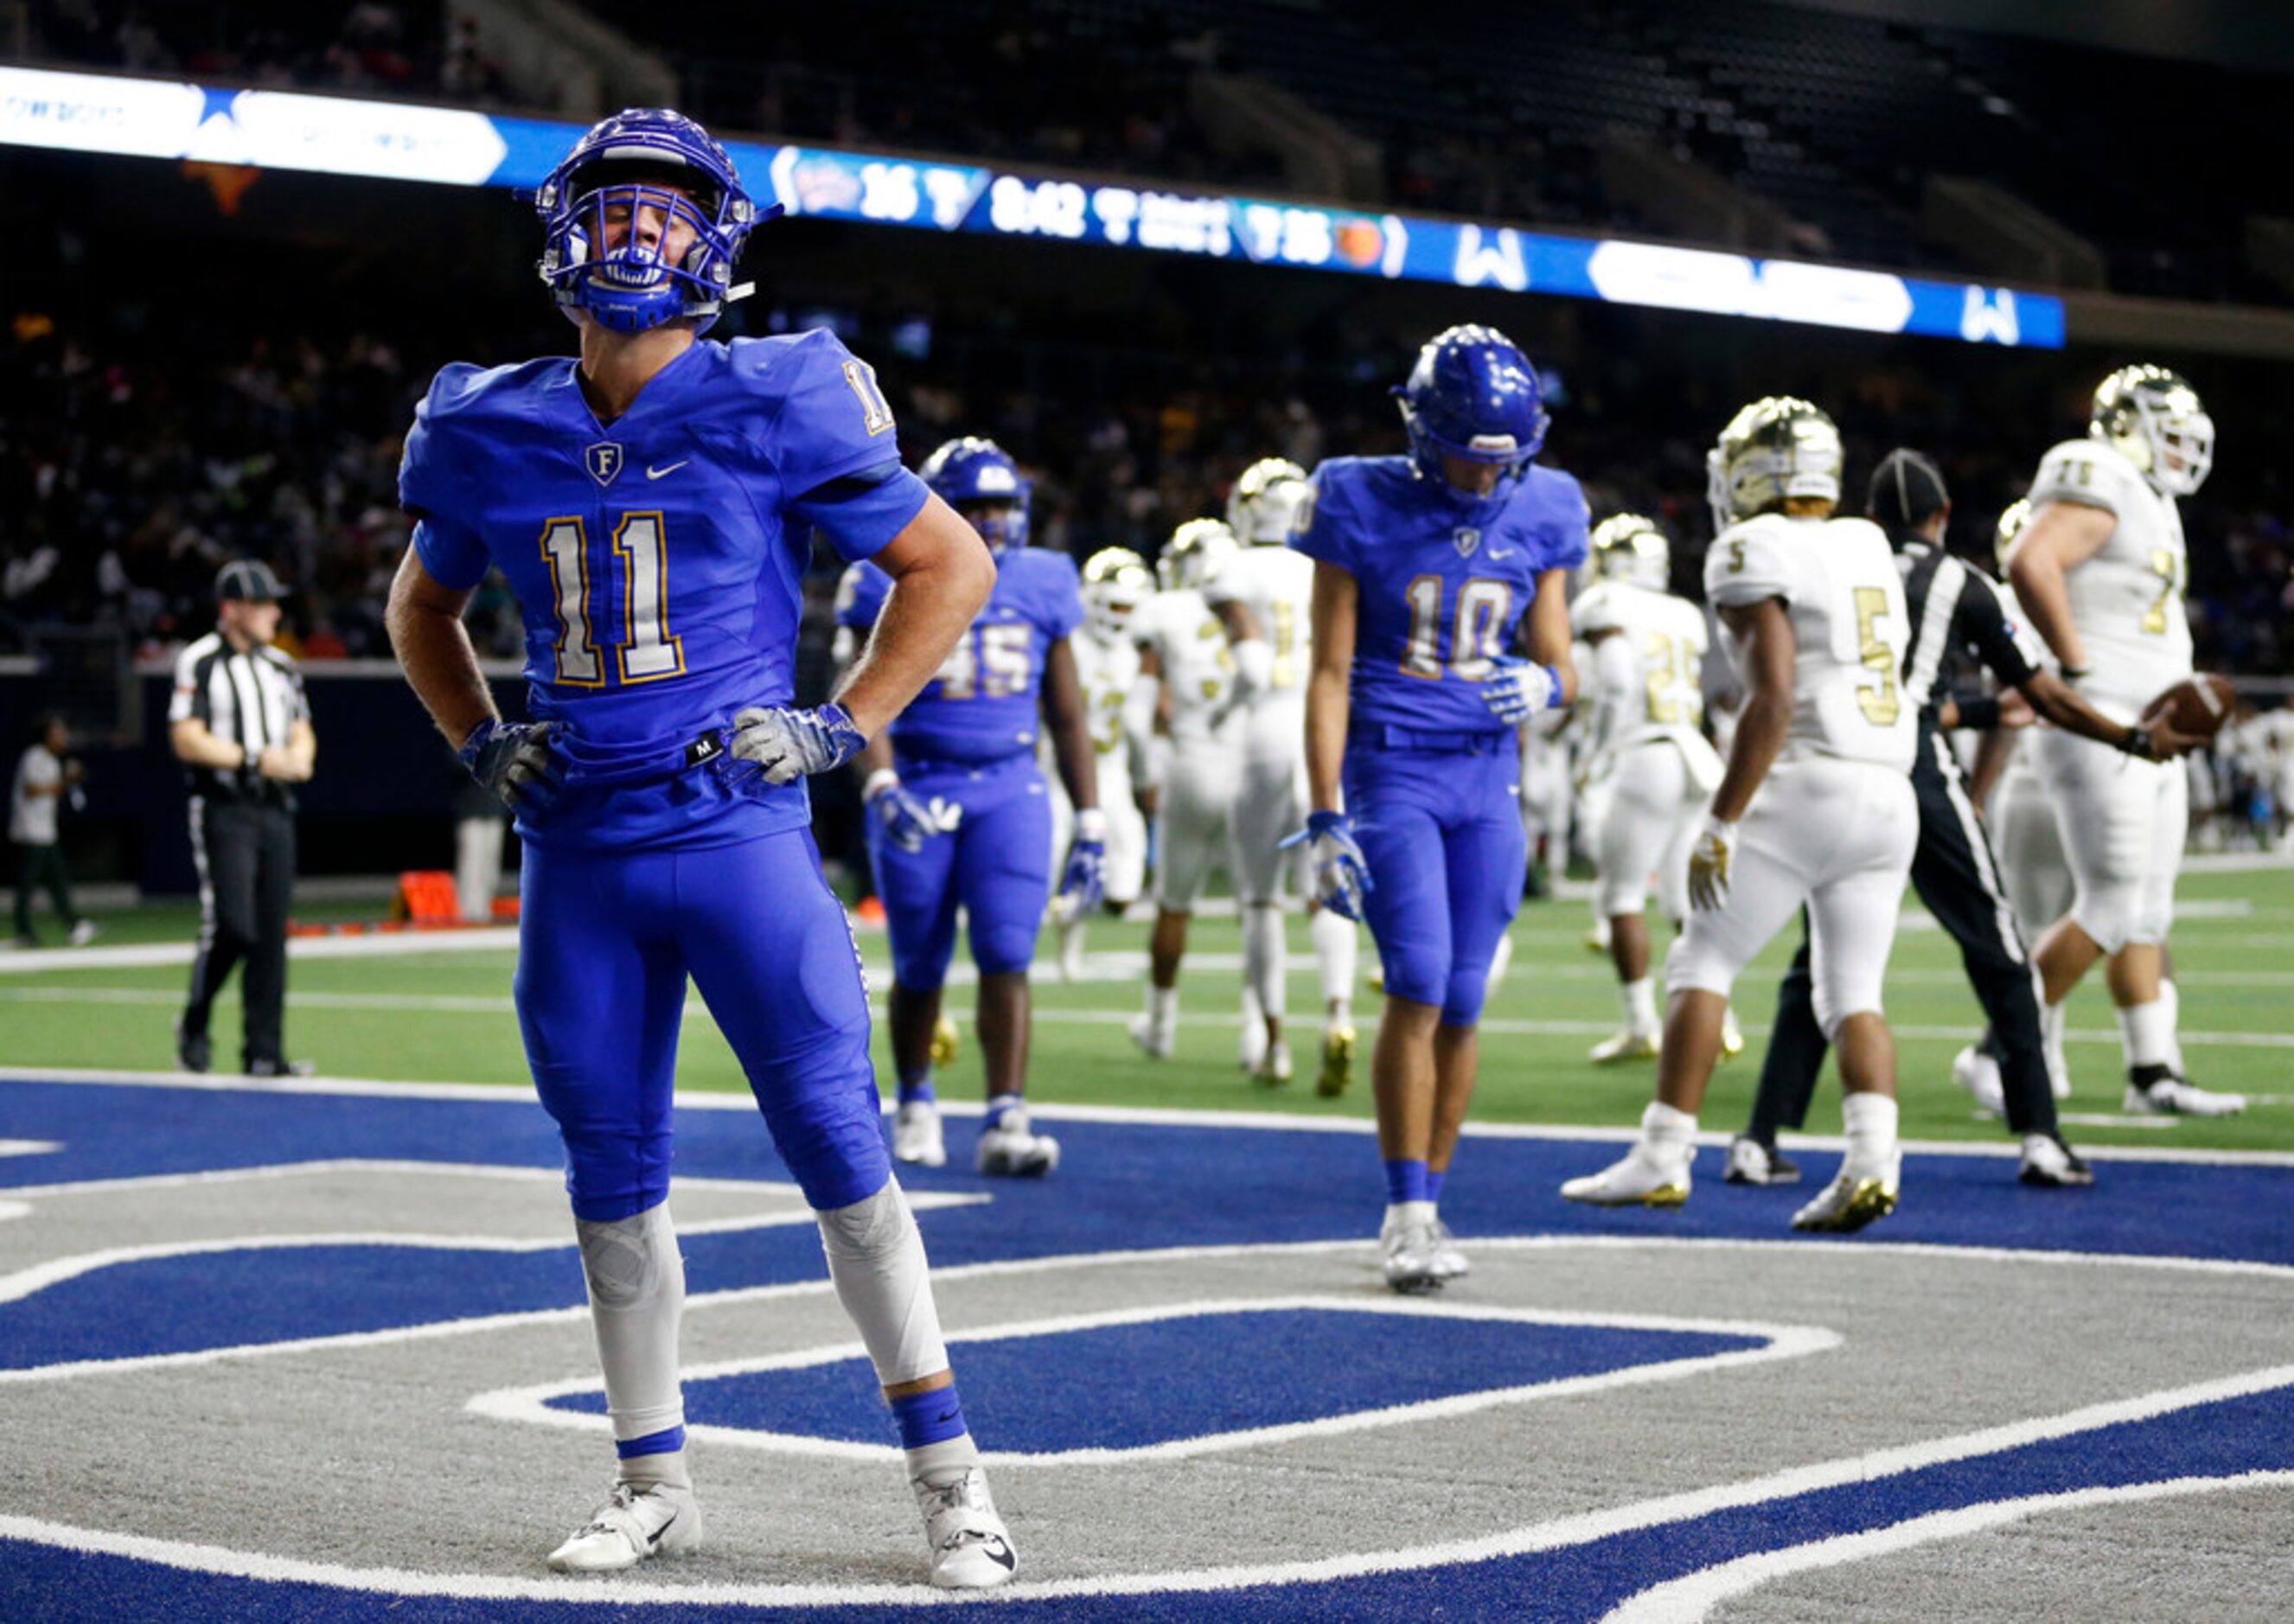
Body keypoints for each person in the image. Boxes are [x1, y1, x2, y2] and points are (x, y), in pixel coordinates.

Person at [385, 108, 1017, 1589]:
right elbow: (421, 606)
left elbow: (951, 561)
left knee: (843, 1159)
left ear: (715, 242)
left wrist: (844, 721)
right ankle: (649, 1477)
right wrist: (478, 736)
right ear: (560, 231)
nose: (635, 233)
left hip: (736, 832)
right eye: (611, 205)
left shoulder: (781, 391)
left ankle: (950, 1481)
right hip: (579, 855)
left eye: (668, 211)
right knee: (609, 1175)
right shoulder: (488, 417)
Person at [1722, 450, 2199, 1194]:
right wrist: (2132, 738)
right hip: (1916, 768)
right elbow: (2033, 694)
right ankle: (2040, 1134)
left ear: (1872, 518)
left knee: (1813, 967)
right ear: (1941, 518)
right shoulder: (1961, 580)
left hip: (1837, 769)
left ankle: (1758, 1138)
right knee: (1999, 951)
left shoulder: (1840, 562)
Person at [1561, 398, 1915, 1232]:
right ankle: (1872, 1161)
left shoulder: (1752, 546)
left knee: (1700, 963)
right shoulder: (1865, 541)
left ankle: (1659, 1155)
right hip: (1888, 790)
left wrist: (1721, 819)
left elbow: (1774, 696)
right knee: (1851, 990)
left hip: (1807, 781)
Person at [1293, 323, 1587, 1291]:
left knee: (1463, 997)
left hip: (1484, 775)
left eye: (1498, 462)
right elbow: (1329, 671)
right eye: (1465, 459)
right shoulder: (1354, 494)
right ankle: (1403, 1211)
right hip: (1393, 770)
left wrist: (1547, 687)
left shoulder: (1546, 503)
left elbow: (1560, 659)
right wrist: (1327, 809)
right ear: (1422, 433)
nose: (1482, 482)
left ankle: (1435, 1201)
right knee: (1416, 978)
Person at [834, 435, 1102, 1178]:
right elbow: (856, 699)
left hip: (1010, 785)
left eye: (1001, 506)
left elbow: (1068, 715)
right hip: (918, 781)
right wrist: (882, 784)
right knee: (920, 959)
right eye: (975, 506)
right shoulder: (881, 577)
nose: (989, 521)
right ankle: (915, 1097)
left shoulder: (1045, 579)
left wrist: (1092, 817)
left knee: (1007, 953)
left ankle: (1005, 1114)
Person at [2005, 366, 2244, 1116]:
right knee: (2108, 903)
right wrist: (2075, 665)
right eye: (2164, 431)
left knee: (2146, 910)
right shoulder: (2098, 471)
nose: (2179, 448)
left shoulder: (2152, 502)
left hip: (2149, 727)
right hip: (2103, 721)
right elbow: (2031, 561)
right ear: (2122, 427)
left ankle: (2152, 1074)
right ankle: (1998, 1046)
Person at [1210, 457, 1361, 1094]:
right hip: (1326, 729)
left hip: (1268, 730)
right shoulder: (1325, 564)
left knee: (1258, 898)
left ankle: (1273, 1041)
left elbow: (1247, 666)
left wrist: (1220, 714)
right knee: (1328, 880)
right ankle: (1339, 1015)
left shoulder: (1231, 566)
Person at [1568, 514, 1738, 1066]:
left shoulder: (1605, 602)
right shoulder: (1684, 612)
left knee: (1619, 896)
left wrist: (1595, 750)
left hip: (1646, 754)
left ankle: (1642, 1025)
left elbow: (1616, 681)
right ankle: (1721, 1017)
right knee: (1681, 899)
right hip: (1695, 756)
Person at [169, 559, 316, 1076]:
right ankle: (195, 1017)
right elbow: (186, 737)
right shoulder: (201, 660)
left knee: (272, 933)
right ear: (232, 609)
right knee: (233, 926)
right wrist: (253, 758)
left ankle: (263, 1052)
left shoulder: (281, 666)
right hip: (224, 805)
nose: (276, 612)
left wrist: (300, 758)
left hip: (274, 807)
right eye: (264, 603)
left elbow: (302, 727)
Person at [1127, 518, 1246, 1064]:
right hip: (1253, 768)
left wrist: (1145, 775)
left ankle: (1160, 1023)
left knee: (1174, 905)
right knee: (1259, 908)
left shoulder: (1165, 611)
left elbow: (1137, 715)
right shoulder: (1264, 604)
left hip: (1190, 766)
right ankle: (1260, 1036)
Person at [1052, 547, 1153, 978]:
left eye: (1130, 607)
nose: (1122, 616)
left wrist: (1147, 773)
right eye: (1115, 605)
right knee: (1050, 854)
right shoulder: (1069, 644)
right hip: (1056, 768)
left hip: (1110, 770)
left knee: (1124, 876)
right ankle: (1060, 946)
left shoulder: (1136, 654)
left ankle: (1077, 913)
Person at [10, 714, 98, 948]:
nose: (63, 738)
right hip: (30, 832)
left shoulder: (51, 760)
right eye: (58, 733)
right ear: (46, 736)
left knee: (57, 882)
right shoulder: (34, 757)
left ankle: (73, 924)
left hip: (46, 832)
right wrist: (65, 779)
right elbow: (32, 790)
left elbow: (55, 792)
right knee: (28, 885)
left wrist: (70, 781)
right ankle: (25, 930)